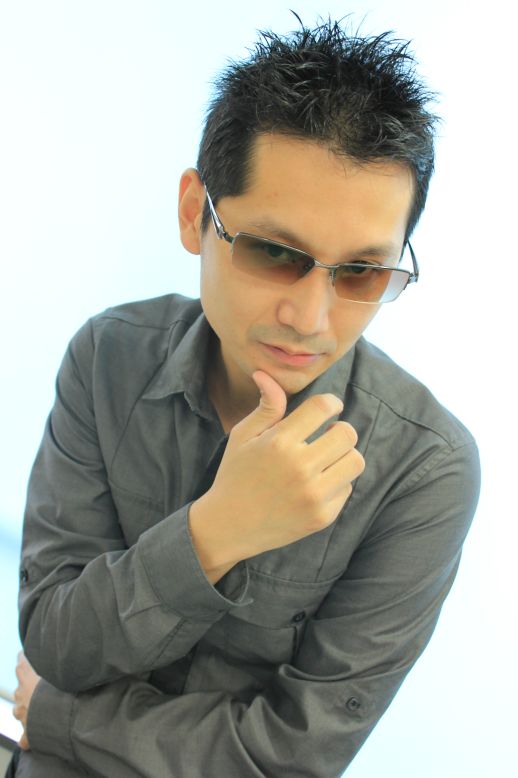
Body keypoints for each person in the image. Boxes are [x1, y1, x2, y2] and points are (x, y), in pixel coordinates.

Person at [10, 17, 480, 778]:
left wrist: (64, 716)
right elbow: (55, 641)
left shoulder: (425, 468)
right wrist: (217, 531)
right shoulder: (108, 357)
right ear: (194, 213)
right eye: (274, 251)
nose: (311, 318)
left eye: (361, 272)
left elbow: (294, 757)